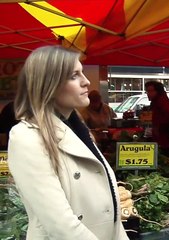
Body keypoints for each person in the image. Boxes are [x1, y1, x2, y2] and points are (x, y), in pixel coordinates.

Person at [7, 46, 128, 240]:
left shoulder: (79, 130)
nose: (86, 81)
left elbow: (111, 208)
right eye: (74, 75)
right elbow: (61, 225)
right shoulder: (26, 137)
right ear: (49, 84)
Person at [145, 81, 169, 157]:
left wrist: (158, 129)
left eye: (150, 91)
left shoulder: (162, 102)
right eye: (147, 91)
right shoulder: (157, 102)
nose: (148, 94)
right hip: (162, 140)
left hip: (165, 142)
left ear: (158, 91)